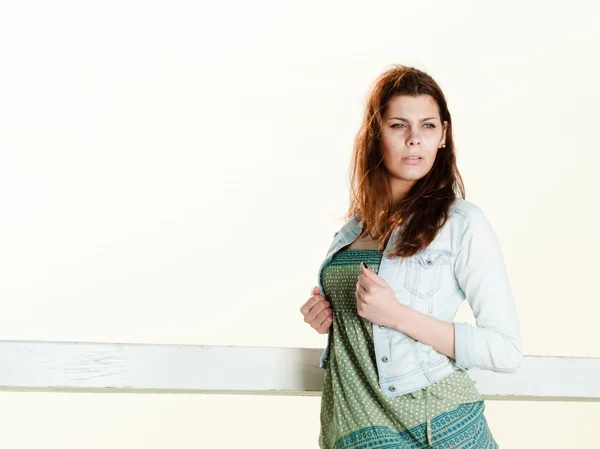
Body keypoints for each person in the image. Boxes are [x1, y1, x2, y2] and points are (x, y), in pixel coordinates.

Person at [299, 65, 523, 448]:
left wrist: (396, 315)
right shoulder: (352, 228)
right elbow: (362, 324)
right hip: (359, 426)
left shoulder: (462, 223)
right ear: (376, 133)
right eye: (399, 125)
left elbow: (505, 349)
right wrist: (326, 313)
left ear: (443, 136)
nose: (415, 139)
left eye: (428, 126)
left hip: (441, 426)